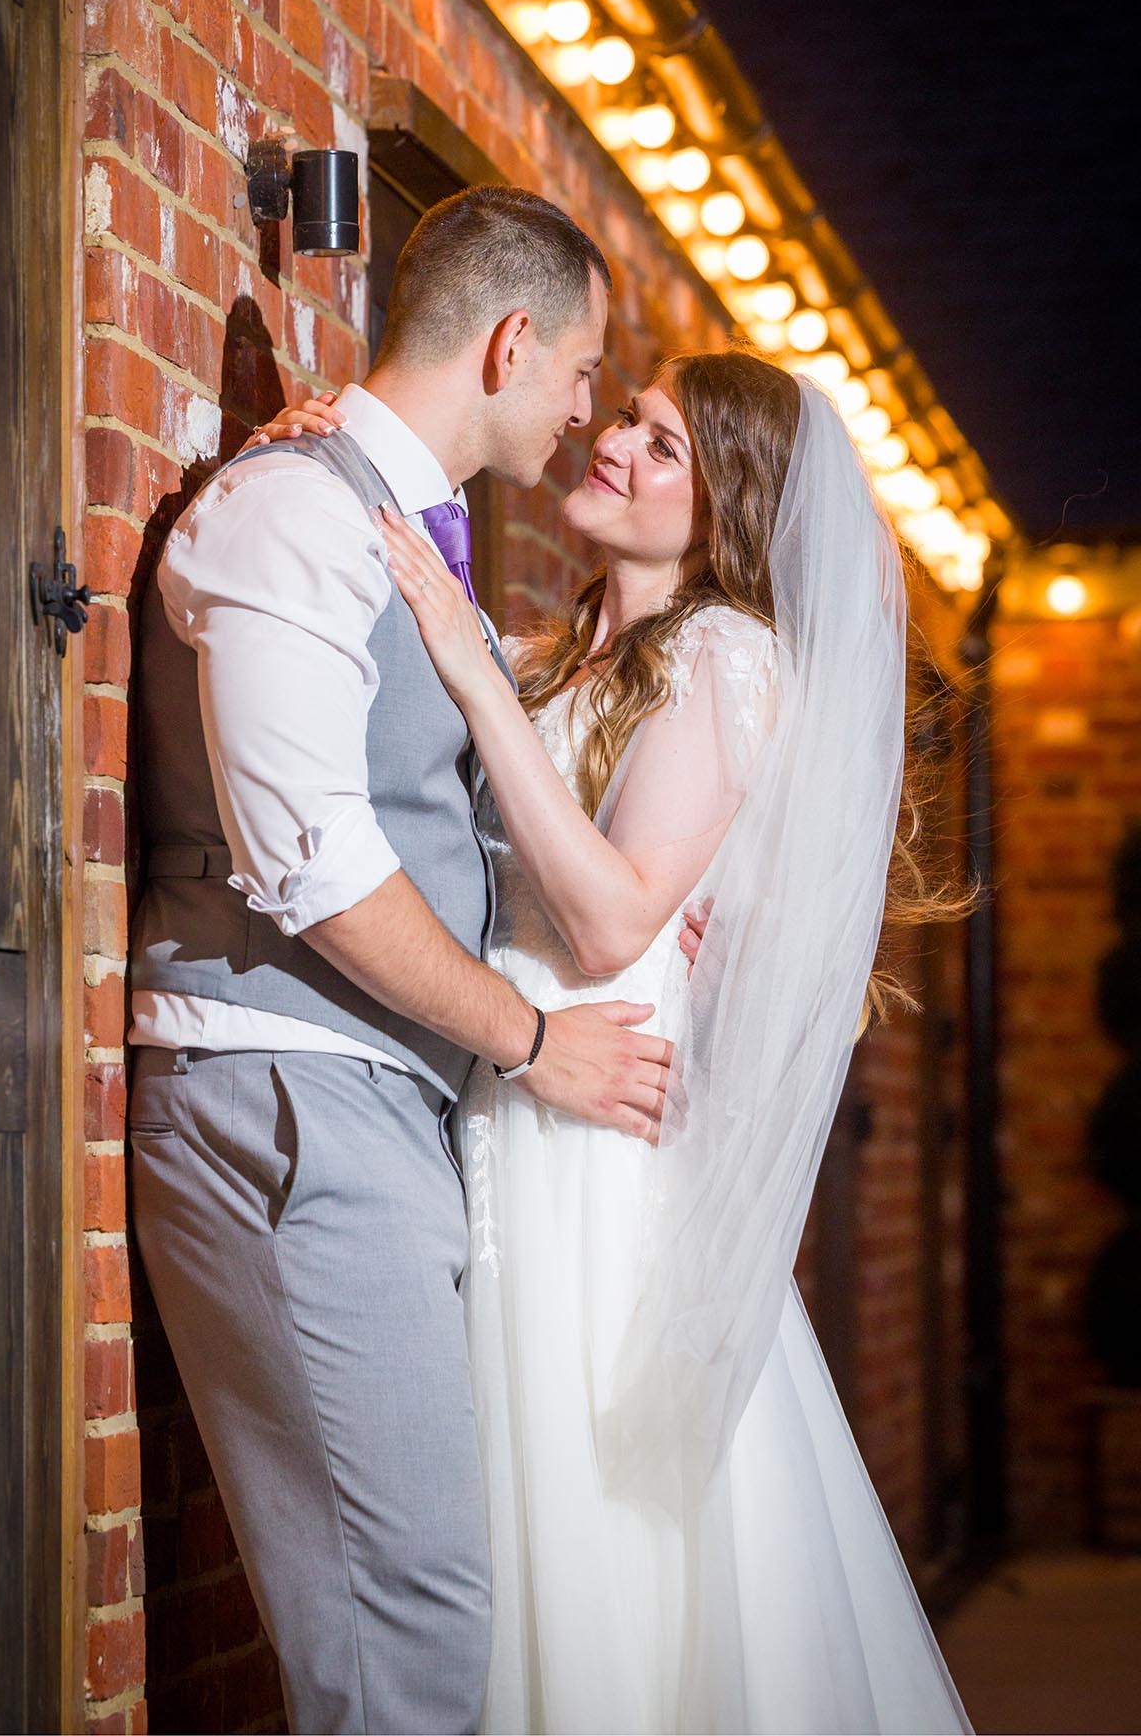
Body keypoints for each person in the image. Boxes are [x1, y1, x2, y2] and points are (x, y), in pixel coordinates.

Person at [285, 348, 975, 1734]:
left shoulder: (726, 660)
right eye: (629, 418)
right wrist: (326, 446)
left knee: (597, 1532)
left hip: (601, 1151)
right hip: (516, 1100)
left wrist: (478, 684)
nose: (616, 445)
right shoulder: (559, 650)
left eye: (665, 446)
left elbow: (606, 924)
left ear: (723, 512)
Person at [125, 186, 676, 1736]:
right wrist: (532, 1041)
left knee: (418, 1628)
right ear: (513, 343)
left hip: (364, 1114)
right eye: (582, 374)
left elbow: (424, 818)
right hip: (290, 1102)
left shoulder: (369, 518)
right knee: (410, 1641)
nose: (583, 413)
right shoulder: (294, 511)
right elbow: (315, 867)